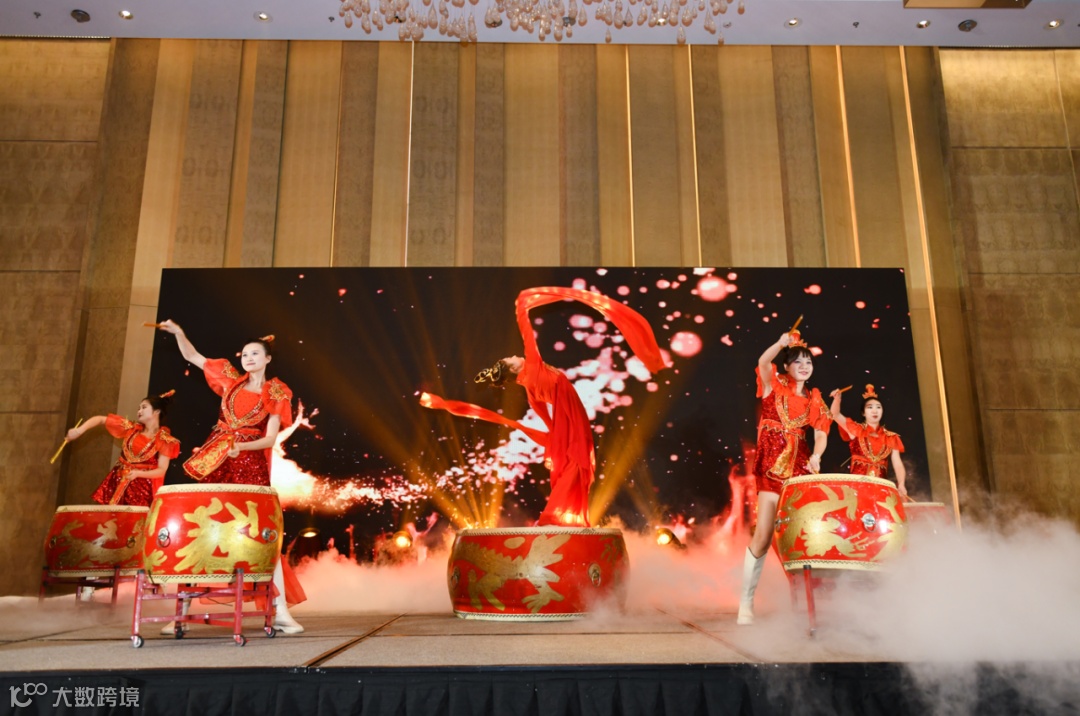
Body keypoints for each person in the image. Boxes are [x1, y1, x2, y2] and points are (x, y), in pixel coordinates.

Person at [421, 286, 666, 527]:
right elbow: (526, 332)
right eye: (511, 359)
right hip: (570, 416)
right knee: (575, 463)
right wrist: (521, 307)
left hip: (564, 421)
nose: (516, 356)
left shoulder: (529, 388)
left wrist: (554, 439)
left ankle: (559, 514)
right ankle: (554, 516)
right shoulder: (533, 367)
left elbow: (545, 415)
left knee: (573, 463)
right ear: (513, 368)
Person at [156, 320, 305, 634]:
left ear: (267, 359)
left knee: (261, 536)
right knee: (202, 530)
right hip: (218, 462)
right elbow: (193, 357)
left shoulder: (276, 391)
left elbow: (270, 439)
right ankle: (181, 613)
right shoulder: (230, 381)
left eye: (255, 354)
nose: (248, 358)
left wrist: (241, 447)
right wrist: (180, 333)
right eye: (245, 354)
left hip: (250, 466)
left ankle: (281, 613)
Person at [738, 328, 832, 626]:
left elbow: (821, 433)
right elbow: (763, 362)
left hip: (800, 469)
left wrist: (817, 455)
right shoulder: (774, 386)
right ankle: (745, 603)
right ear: (788, 366)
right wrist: (779, 344)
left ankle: (805, 601)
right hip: (772, 468)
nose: (804, 366)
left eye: (809, 362)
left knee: (802, 535)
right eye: (798, 362)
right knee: (764, 534)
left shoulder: (815, 399)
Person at [65, 392, 180, 507]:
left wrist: (138, 473)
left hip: (141, 490)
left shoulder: (165, 440)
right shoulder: (131, 428)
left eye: (144, 407)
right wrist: (79, 431)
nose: (139, 411)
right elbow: (101, 419)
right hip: (118, 481)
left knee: (133, 517)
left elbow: (161, 470)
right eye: (138, 408)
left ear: (157, 411)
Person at [829, 384, 907, 496]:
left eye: (878, 407)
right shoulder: (856, 430)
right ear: (863, 413)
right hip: (857, 490)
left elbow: (897, 463)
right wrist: (837, 399)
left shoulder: (891, 437)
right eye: (870, 407)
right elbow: (835, 415)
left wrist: (901, 484)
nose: (875, 411)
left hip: (880, 491)